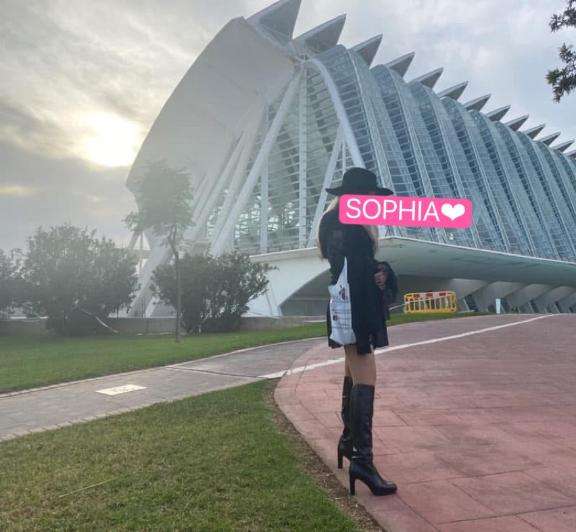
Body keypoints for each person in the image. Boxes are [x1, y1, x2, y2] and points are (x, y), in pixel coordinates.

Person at [318, 167, 398, 497]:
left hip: (349, 302)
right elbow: (349, 264)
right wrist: (379, 270)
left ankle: (349, 442)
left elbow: (352, 263)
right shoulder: (345, 222)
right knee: (366, 375)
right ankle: (362, 461)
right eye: (371, 197)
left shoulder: (338, 220)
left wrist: (380, 270)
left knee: (353, 370)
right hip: (355, 304)